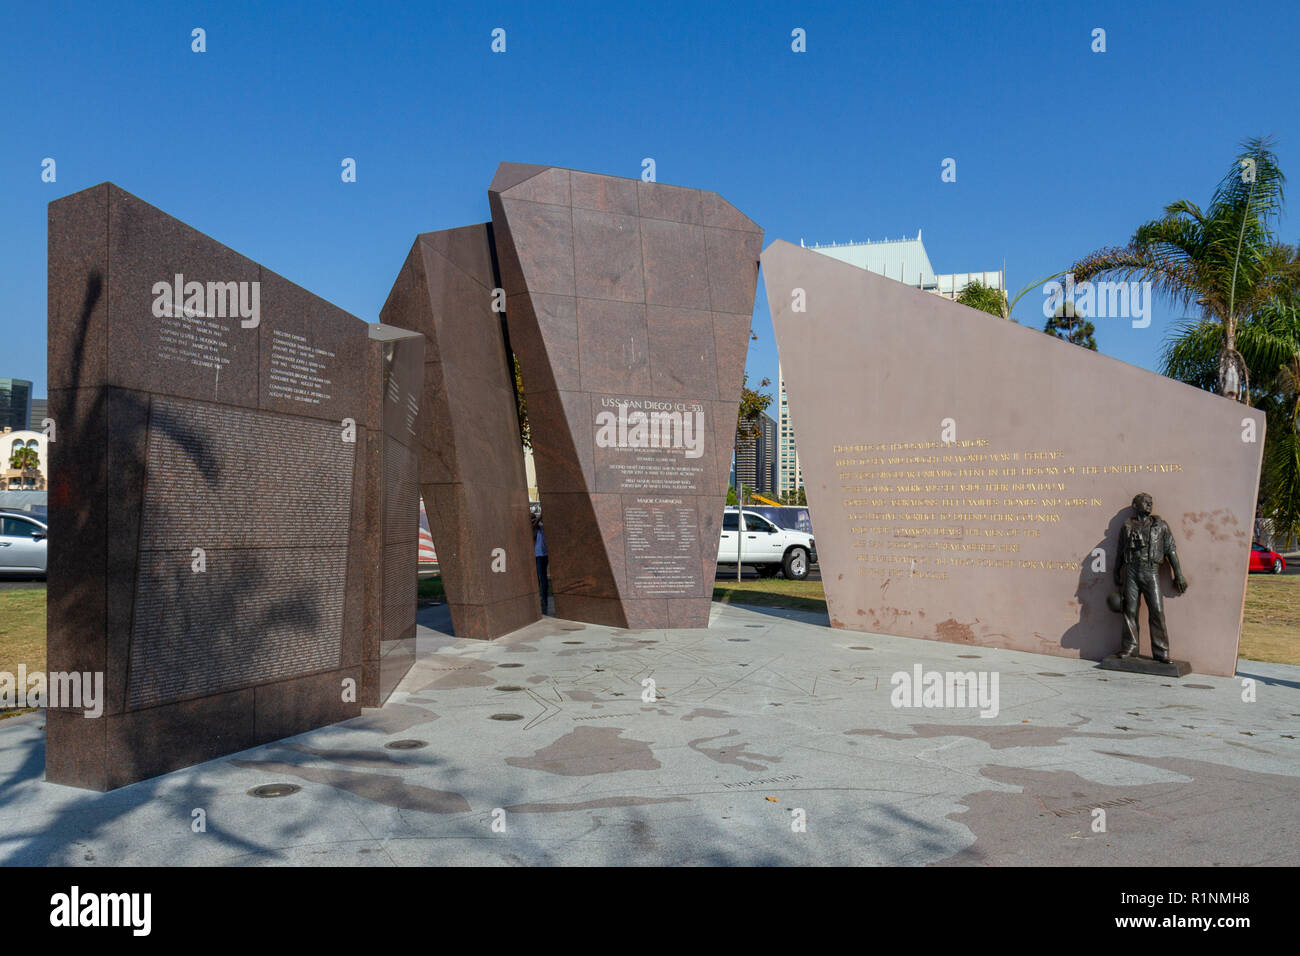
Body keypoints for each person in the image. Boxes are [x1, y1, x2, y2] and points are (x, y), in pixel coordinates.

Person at [1113, 492, 1188, 662]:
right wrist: (1116, 570)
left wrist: (1179, 574)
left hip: (1151, 570)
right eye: (1145, 502)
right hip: (1131, 570)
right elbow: (1120, 550)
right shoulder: (1126, 525)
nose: (1149, 504)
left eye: (1151, 502)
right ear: (1135, 505)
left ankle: (1161, 652)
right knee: (1129, 611)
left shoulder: (1160, 526)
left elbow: (1171, 550)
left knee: (1157, 610)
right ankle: (1130, 647)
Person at [531, 505, 549, 615]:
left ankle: (544, 599)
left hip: (543, 555)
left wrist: (540, 518)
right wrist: (538, 518)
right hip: (536, 555)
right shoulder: (534, 529)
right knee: (538, 579)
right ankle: (539, 598)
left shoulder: (542, 527)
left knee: (543, 579)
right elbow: (533, 526)